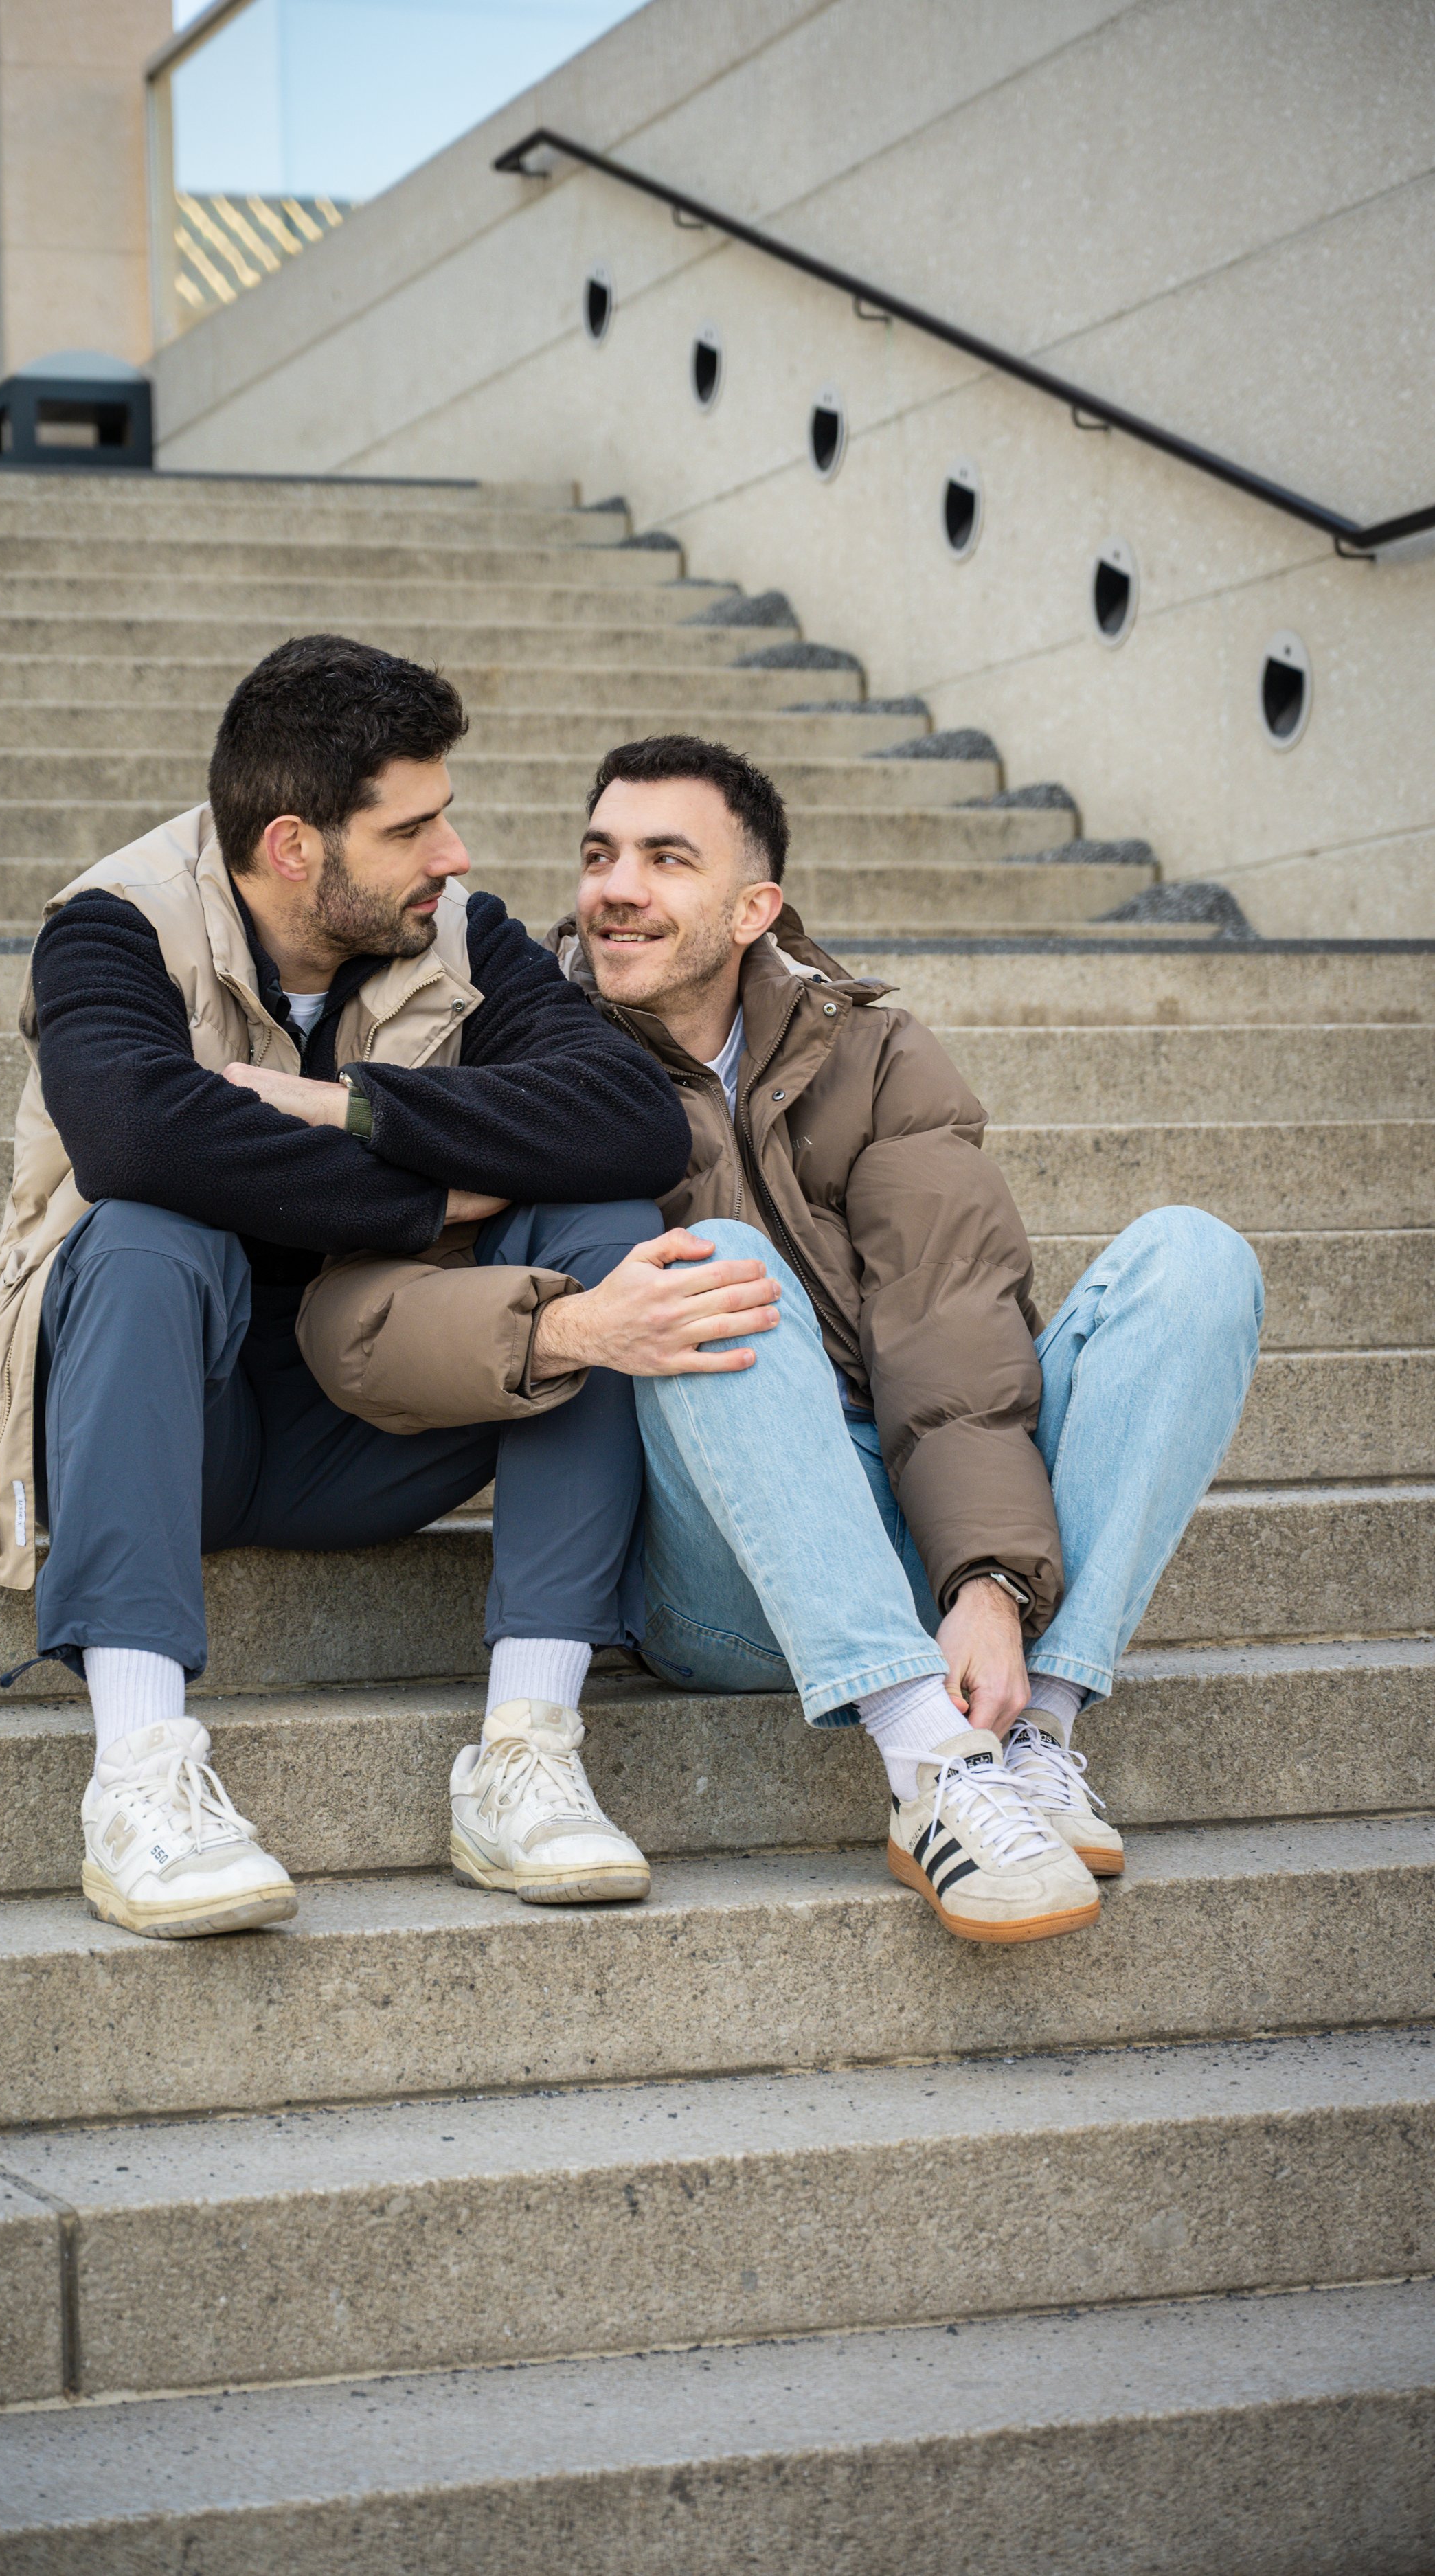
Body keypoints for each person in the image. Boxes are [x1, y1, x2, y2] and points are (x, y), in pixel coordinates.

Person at [298, 734, 1263, 1945]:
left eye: (664, 859)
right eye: (600, 855)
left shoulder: (870, 1051)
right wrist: (569, 1324)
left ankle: (1034, 1729)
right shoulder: (512, 1052)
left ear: (755, 908)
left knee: (1194, 1258)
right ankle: (930, 1765)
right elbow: (357, 1323)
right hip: (722, 1564)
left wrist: (988, 1579)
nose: (615, 888)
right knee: (726, 1272)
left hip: (917, 1510)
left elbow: (952, 1319)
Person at [0, 635, 708, 1939]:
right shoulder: (111, 927)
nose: (455, 854)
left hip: (368, 1419)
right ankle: (138, 1774)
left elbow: (634, 1121)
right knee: (146, 1230)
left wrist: (341, 1107)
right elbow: (138, 1136)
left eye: (446, 816)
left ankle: (525, 1753)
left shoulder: (463, 939)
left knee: (600, 1218)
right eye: (413, 827)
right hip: (147, 1417)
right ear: (295, 846)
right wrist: (433, 1195)